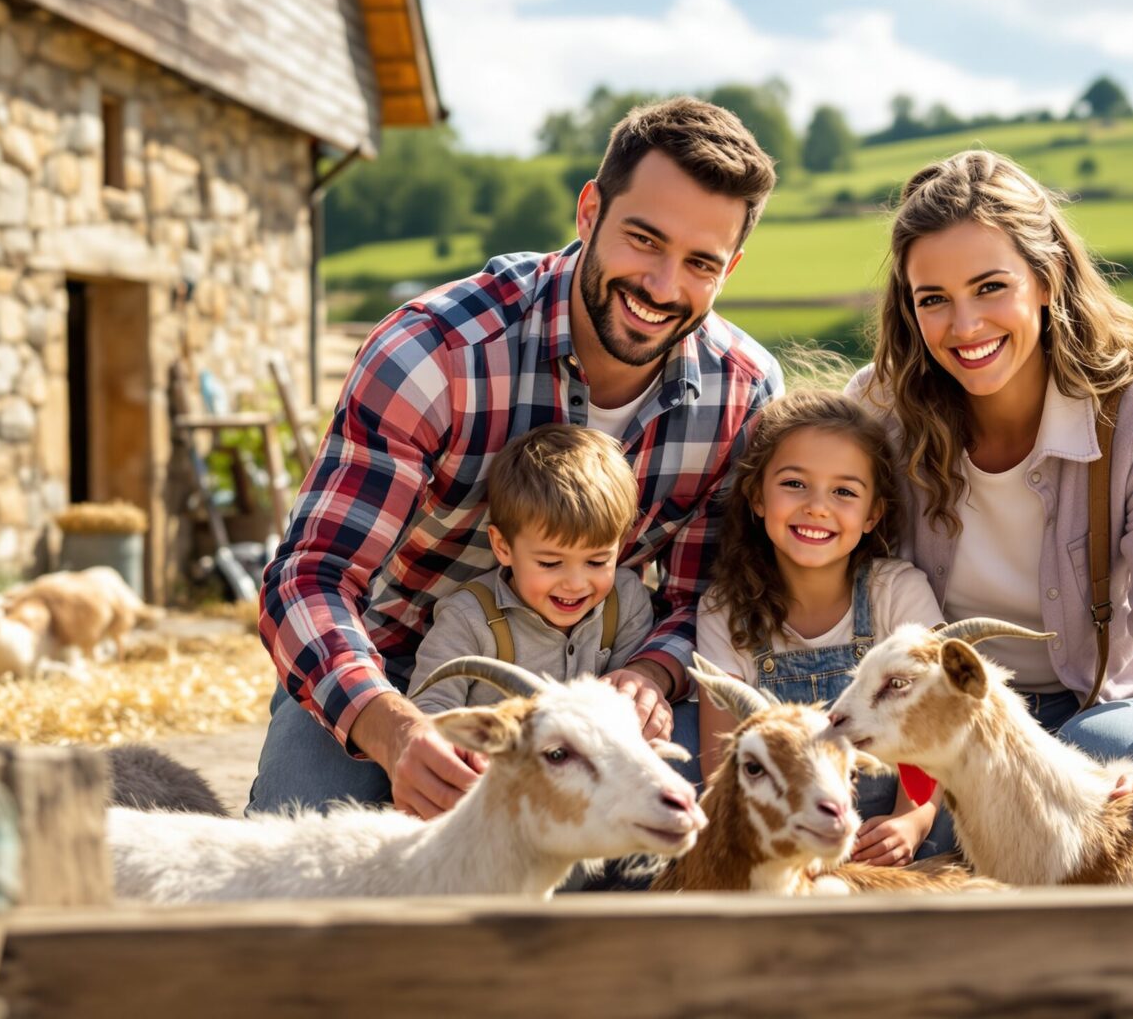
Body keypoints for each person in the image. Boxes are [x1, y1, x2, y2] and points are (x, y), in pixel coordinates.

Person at [252, 98, 781, 818]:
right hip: (395, 667)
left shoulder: (741, 395)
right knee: (305, 855)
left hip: (595, 673)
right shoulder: (433, 356)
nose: (663, 285)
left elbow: (701, 598)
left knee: (682, 835)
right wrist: (393, 729)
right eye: (644, 240)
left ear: (733, 266)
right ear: (589, 211)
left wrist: (651, 675)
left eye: (700, 264)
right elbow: (311, 578)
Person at [849, 149, 1133, 853]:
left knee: (1097, 788)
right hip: (945, 712)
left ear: (1047, 277)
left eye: (990, 287)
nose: (964, 326)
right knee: (890, 828)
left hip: (1101, 709)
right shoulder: (880, 410)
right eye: (932, 299)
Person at [694, 389, 948, 867]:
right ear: (756, 495)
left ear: (873, 513)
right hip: (783, 834)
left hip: (897, 825)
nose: (817, 507)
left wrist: (910, 821)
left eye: (844, 492)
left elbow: (934, 726)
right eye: (794, 484)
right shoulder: (725, 611)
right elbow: (723, 764)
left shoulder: (897, 592)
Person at [405, 424, 654, 716]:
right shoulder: (468, 620)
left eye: (597, 562)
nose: (575, 584)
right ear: (503, 547)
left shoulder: (625, 602)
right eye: (549, 563)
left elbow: (628, 707)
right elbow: (431, 712)